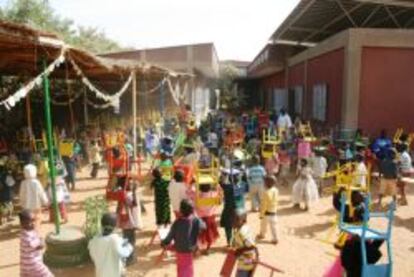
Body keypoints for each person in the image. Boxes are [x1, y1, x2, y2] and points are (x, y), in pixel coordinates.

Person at [161, 199, 206, 277]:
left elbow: (169, 237)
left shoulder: (177, 222)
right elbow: (204, 226)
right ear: (192, 211)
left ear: (181, 210)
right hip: (190, 248)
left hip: (178, 248)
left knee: (181, 267)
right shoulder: (195, 220)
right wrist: (196, 216)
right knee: (187, 267)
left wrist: (164, 243)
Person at [88, 213, 133, 277]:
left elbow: (93, 257)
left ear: (101, 224)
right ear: (115, 226)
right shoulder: (114, 239)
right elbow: (124, 253)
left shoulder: (93, 241)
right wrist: (129, 247)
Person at [19, 210, 54, 277]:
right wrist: (42, 240)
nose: (33, 223)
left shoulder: (23, 232)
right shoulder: (28, 236)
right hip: (34, 264)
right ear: (22, 224)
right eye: (29, 222)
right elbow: (40, 246)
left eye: (33, 220)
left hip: (24, 266)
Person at [220, 169, 246, 246]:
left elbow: (220, 184)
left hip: (229, 210)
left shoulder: (227, 187)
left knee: (228, 227)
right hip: (240, 210)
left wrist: (224, 176)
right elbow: (245, 181)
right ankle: (238, 241)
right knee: (239, 227)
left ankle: (229, 242)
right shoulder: (243, 185)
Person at [19, 164, 49, 229]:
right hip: (36, 203)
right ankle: (36, 227)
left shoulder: (23, 183)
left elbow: (21, 194)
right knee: (37, 216)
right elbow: (41, 192)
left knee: (29, 216)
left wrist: (21, 202)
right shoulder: (36, 182)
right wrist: (45, 200)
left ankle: (29, 226)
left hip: (26, 204)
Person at [117, 182, 140, 265]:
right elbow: (135, 204)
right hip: (129, 221)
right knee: (131, 240)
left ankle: (127, 258)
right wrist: (134, 191)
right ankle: (130, 259)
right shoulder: (129, 196)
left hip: (123, 222)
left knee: (125, 239)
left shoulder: (121, 195)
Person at [232, 209, 259, 277]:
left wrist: (240, 250)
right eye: (232, 218)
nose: (233, 221)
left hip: (246, 261)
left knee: (242, 273)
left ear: (243, 221)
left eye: (236, 219)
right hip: (248, 260)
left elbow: (252, 245)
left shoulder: (242, 232)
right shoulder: (243, 228)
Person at [196, 184, 219, 254]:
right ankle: (208, 248)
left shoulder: (199, 197)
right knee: (210, 234)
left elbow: (197, 208)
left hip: (202, 219)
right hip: (211, 218)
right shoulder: (214, 195)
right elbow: (217, 202)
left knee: (201, 235)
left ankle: (199, 248)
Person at [257, 175, 279, 245]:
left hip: (267, 213)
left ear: (266, 184)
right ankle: (275, 238)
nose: (264, 183)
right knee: (274, 226)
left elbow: (264, 206)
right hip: (274, 211)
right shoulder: (276, 190)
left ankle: (262, 234)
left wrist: (261, 214)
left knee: (263, 225)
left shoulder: (266, 193)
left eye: (264, 182)